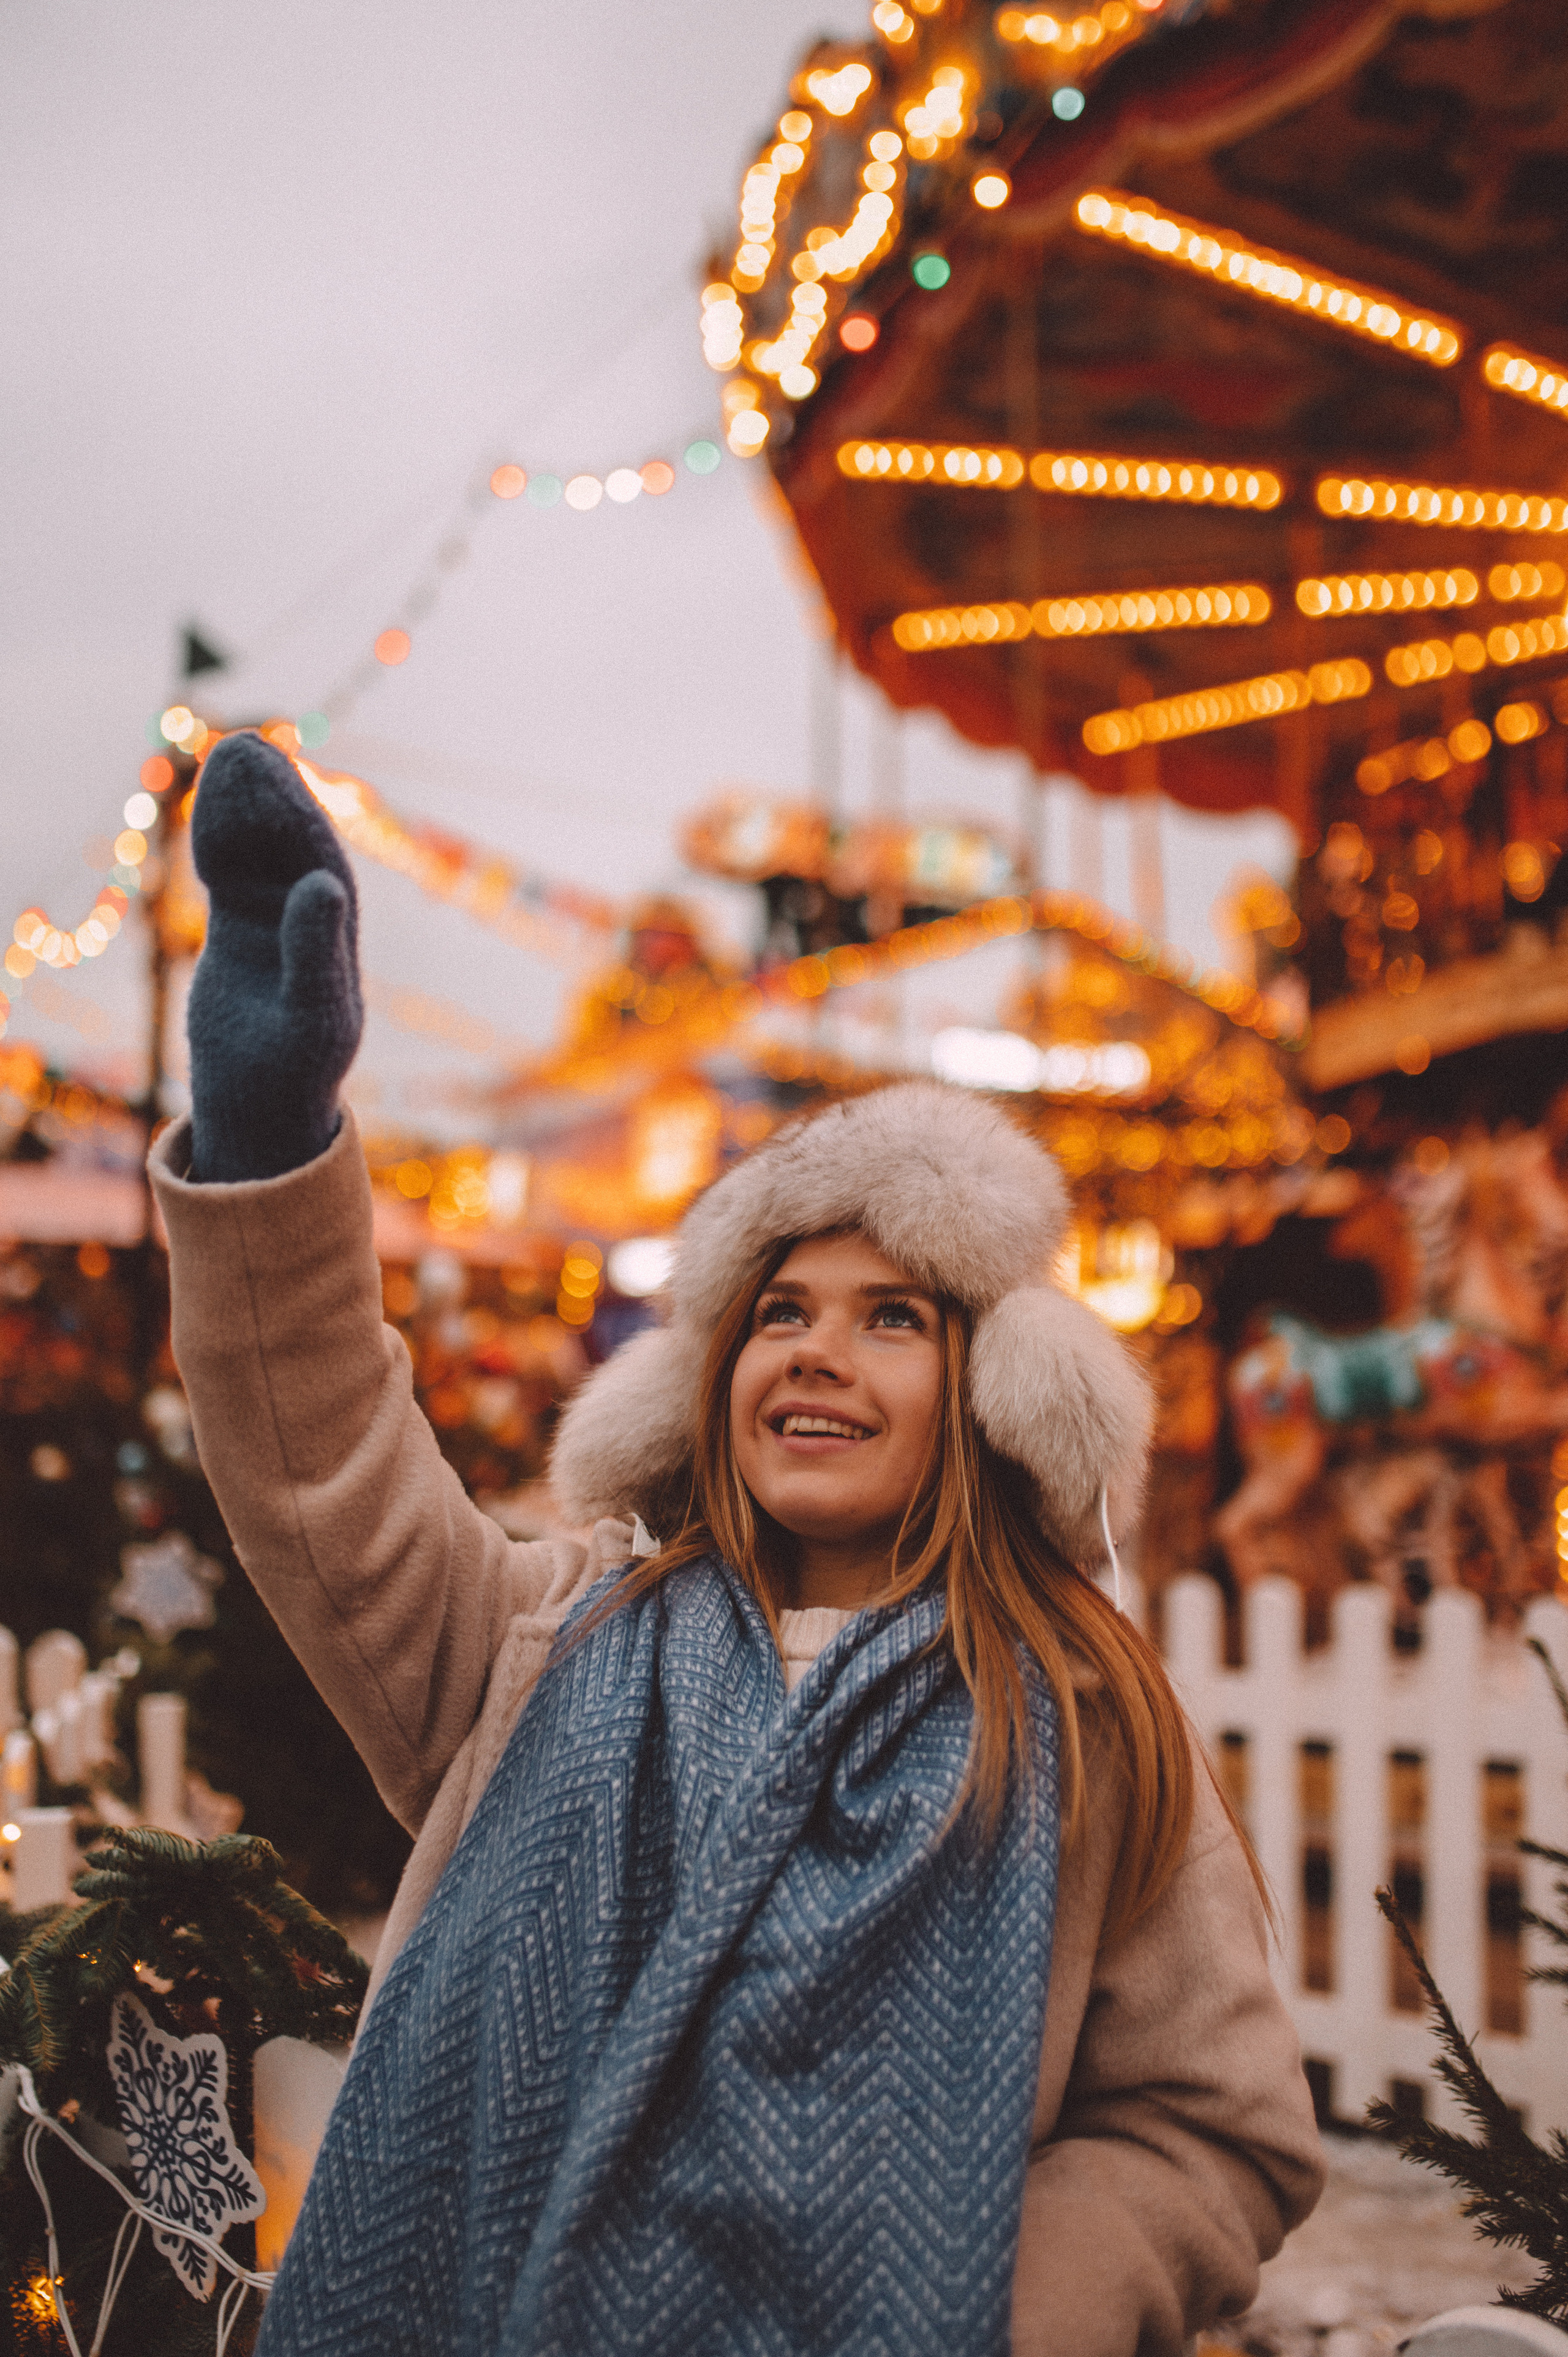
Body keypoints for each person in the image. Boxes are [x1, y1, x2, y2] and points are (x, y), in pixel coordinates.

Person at [149, 732, 1324, 2357]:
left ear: (986, 1389)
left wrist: (1008, 2309)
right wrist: (274, 1155)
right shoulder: (539, 1645)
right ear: (714, 1377)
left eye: (892, 1318)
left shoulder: (1078, 1712)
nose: (817, 1351)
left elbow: (1213, 2127)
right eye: (779, 1313)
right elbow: (326, 1464)